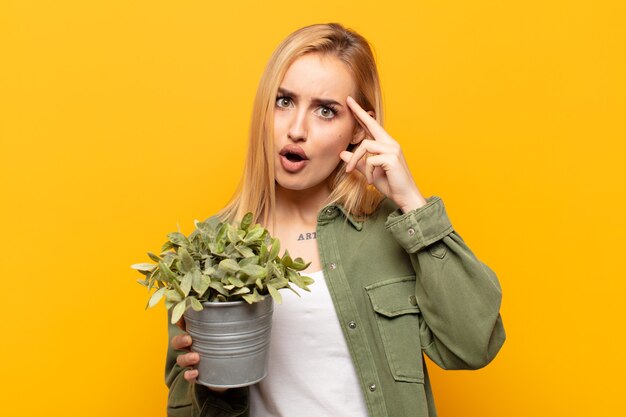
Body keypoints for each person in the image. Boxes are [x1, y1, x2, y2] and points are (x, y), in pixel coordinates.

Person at [165, 23, 506, 417]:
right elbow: (182, 408)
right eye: (283, 101)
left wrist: (412, 203)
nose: (296, 130)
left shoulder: (391, 230)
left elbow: (475, 342)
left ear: (359, 129)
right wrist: (214, 386)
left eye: (326, 111)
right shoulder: (209, 248)